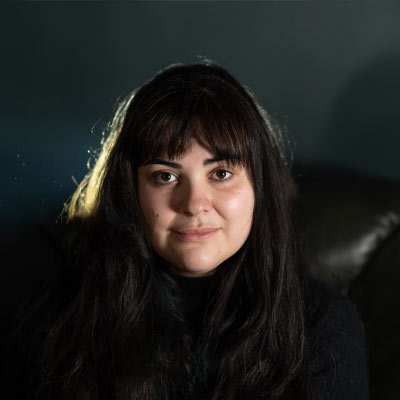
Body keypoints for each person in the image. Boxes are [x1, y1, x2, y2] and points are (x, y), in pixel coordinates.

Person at [9, 62, 368, 399]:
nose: (194, 203)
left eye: (221, 174)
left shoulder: (323, 326)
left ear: (261, 188)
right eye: (166, 176)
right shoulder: (60, 315)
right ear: (130, 193)